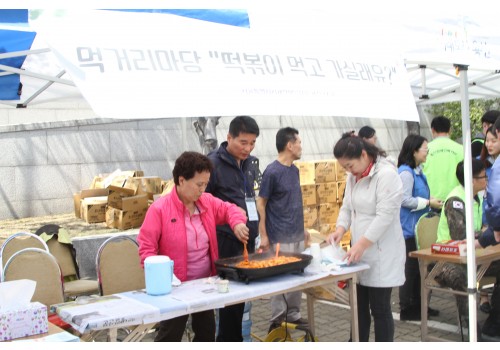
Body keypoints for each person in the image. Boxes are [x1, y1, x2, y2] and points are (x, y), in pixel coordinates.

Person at [137, 151, 249, 342]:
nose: (203, 189)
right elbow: (146, 249)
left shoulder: (206, 202)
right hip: (175, 289)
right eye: (199, 184)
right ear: (181, 180)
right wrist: (164, 277)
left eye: (206, 184)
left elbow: (230, 209)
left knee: (206, 334)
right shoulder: (159, 209)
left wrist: (237, 223)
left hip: (204, 285)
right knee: (169, 336)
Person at [327, 133, 405, 342]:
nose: (348, 170)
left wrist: (362, 244)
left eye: (349, 165)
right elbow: (347, 207)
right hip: (359, 251)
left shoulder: (386, 175)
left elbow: (385, 216)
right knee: (359, 306)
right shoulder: (353, 176)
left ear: (364, 154)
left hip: (381, 251)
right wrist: (340, 229)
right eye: (344, 167)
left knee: (379, 307)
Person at [205, 115, 261, 342]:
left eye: (253, 143)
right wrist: (229, 223)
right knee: (229, 305)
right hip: (225, 243)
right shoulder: (212, 164)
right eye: (243, 142)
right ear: (229, 137)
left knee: (240, 304)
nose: (248, 148)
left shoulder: (251, 163)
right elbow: (204, 204)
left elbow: (254, 199)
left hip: (248, 240)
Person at [256, 127, 308, 333]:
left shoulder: (294, 170)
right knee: (281, 278)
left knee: (297, 275)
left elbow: (293, 201)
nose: (301, 146)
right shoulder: (272, 171)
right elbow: (261, 203)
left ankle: (293, 314)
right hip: (279, 234)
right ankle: (277, 321)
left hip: (296, 233)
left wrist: (303, 229)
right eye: (299, 142)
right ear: (289, 145)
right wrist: (264, 235)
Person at [397, 134, 443, 321]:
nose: (427, 152)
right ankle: (407, 308)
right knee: (411, 270)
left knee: (419, 269)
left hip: (418, 229)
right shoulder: (406, 173)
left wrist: (430, 203)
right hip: (409, 230)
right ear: (414, 151)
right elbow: (403, 199)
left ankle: (420, 305)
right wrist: (427, 202)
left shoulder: (417, 170)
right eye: (425, 149)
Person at [422, 116, 464, 207]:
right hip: (455, 199)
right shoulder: (461, 149)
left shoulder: (424, 150)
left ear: (432, 130)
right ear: (449, 130)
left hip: (432, 200)